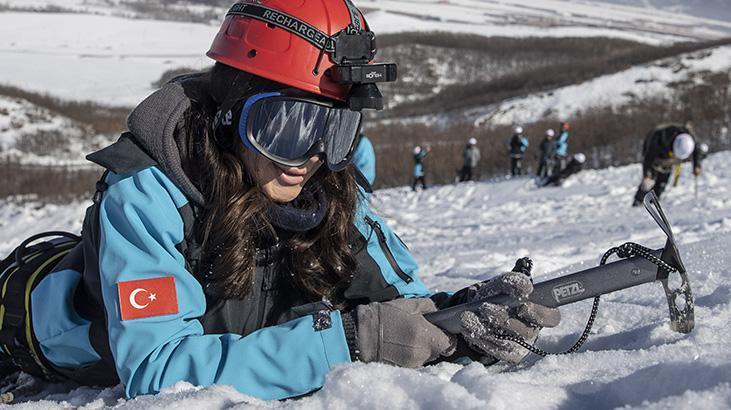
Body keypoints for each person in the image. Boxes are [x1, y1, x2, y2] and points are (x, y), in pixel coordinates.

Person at [0, 0, 560, 402]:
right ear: (230, 113)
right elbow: (156, 370)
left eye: (335, 132)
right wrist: (349, 342)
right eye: (285, 126)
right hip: (39, 337)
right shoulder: (149, 192)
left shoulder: (328, 193)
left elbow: (402, 311)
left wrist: (462, 325)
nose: (309, 157)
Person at [632, 124, 702, 206]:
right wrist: (647, 175)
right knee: (649, 182)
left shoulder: (688, 139)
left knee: (663, 180)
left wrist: (696, 165)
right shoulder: (658, 139)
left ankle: (655, 202)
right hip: (656, 153)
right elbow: (648, 158)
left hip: (668, 156)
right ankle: (638, 201)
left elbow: (696, 151)